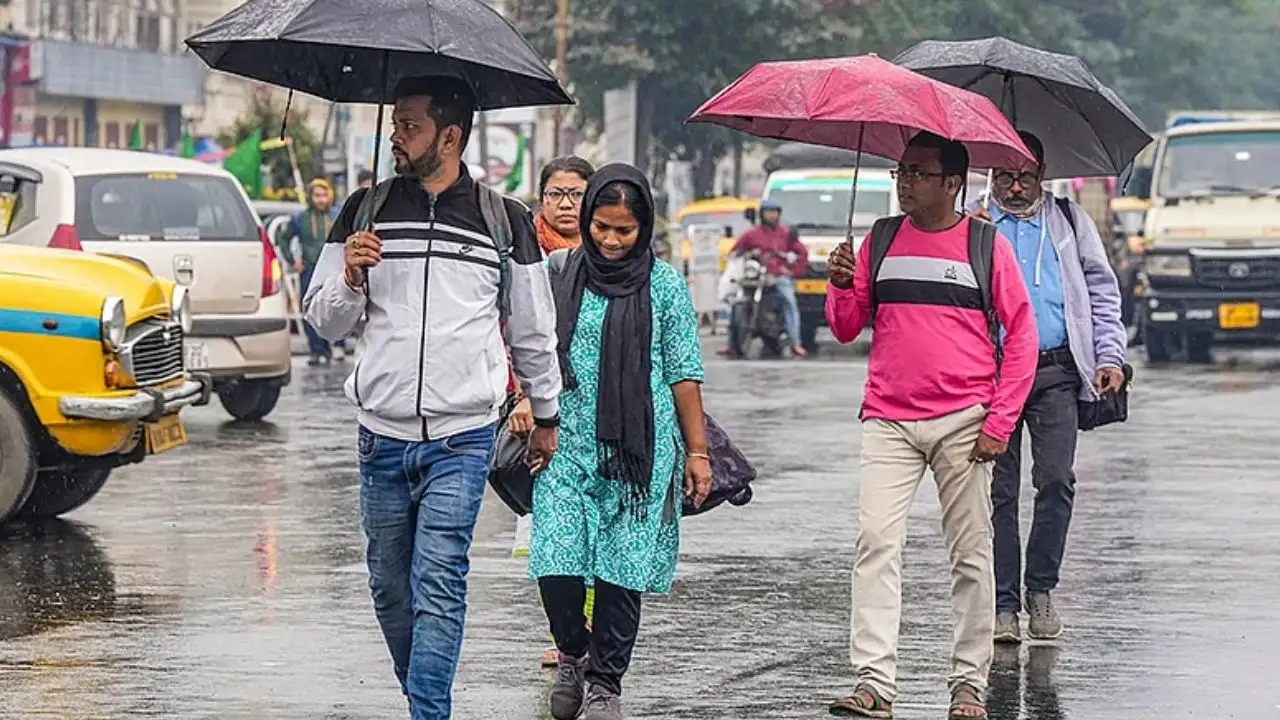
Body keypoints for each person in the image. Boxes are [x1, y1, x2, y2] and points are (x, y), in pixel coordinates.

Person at [303, 75, 562, 720]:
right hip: (380, 434)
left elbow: (532, 328)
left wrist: (547, 413)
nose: (397, 135)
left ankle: (428, 714)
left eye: (410, 125)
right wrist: (350, 276)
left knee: (439, 581)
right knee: (390, 589)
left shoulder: (504, 221)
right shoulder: (364, 209)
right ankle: (425, 698)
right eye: (395, 123)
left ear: (450, 135)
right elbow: (322, 319)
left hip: (464, 436)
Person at [824, 131, 1037, 720]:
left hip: (965, 421)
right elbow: (847, 326)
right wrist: (841, 285)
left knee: (970, 553)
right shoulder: (881, 238)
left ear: (953, 183)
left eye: (918, 173)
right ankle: (873, 682)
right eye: (901, 172)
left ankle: (968, 682)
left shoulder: (986, 246)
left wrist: (1000, 419)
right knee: (875, 543)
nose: (905, 183)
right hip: (887, 417)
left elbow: (1022, 337)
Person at [531, 163, 711, 720]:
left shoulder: (665, 286)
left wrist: (698, 452)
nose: (609, 240)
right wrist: (525, 404)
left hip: (638, 453)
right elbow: (532, 347)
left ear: (644, 229)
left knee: (619, 571)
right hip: (564, 441)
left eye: (623, 231)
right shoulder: (562, 273)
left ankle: (606, 683)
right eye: (601, 227)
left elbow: (684, 371)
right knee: (555, 563)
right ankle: (573, 652)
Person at [972, 131, 1126, 644]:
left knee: (1056, 481)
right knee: (998, 492)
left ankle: (1040, 590)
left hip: (1056, 370)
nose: (1015, 187)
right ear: (990, 175)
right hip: (990, 376)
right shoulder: (972, 223)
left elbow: (1102, 291)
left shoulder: (1068, 221)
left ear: (1043, 175)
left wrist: (1110, 356)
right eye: (1004, 175)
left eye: (1025, 176)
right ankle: (1003, 605)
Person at [507, 154, 597, 669]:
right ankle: (567, 636)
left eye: (576, 194)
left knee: (592, 528)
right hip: (538, 411)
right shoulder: (522, 253)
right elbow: (513, 332)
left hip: (594, 411)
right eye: (555, 194)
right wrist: (524, 395)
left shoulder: (611, 251)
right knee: (551, 528)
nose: (565, 205)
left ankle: (587, 632)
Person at [726, 199, 810, 357]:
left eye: (774, 212)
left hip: (778, 276)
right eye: (768, 212)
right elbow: (735, 250)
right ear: (762, 214)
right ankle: (731, 343)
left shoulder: (786, 234)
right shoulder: (751, 234)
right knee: (735, 299)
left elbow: (801, 253)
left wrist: (793, 271)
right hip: (756, 276)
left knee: (789, 302)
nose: (771, 215)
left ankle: (795, 342)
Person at [280, 178, 340, 365]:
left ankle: (336, 345)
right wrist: (293, 261)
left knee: (337, 306)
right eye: (317, 195)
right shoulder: (301, 218)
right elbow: (284, 238)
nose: (321, 199)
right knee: (311, 309)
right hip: (310, 270)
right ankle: (317, 349)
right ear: (310, 197)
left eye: (324, 195)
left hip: (334, 270)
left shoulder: (337, 215)